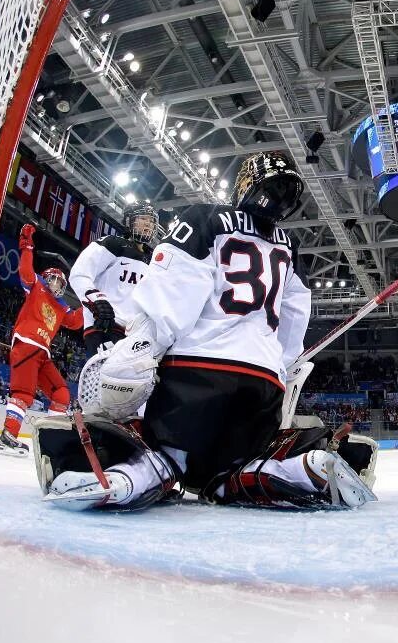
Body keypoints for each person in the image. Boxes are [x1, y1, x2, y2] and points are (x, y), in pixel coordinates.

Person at [44, 151, 374, 510]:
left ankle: (127, 480)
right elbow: (295, 318)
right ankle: (301, 470)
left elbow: (172, 296)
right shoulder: (290, 247)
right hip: (263, 384)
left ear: (245, 184)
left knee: (167, 456)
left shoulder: (205, 218)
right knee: (227, 476)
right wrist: (279, 363)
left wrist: (143, 346)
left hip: (197, 373)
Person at [0, 223, 83, 456]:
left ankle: (51, 441)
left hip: (42, 354)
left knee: (61, 393)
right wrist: (26, 244)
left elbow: (75, 322)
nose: (57, 285)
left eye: (61, 284)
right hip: (27, 344)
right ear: (47, 278)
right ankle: (8, 437)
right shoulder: (37, 286)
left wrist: (89, 299)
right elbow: (25, 271)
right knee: (23, 393)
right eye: (55, 280)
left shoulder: (62, 306)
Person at [69, 202, 158, 358]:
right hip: (105, 326)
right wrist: (97, 301)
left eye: (151, 221)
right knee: (103, 379)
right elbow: (80, 274)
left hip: (136, 336)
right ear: (128, 221)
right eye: (143, 218)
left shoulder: (154, 260)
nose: (148, 224)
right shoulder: (111, 244)